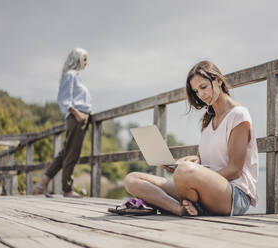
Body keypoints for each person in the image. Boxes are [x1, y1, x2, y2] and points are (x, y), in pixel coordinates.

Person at [123, 60, 258, 216]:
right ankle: (179, 209)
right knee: (132, 179)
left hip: (234, 195)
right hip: (203, 189)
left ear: (218, 80)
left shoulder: (238, 115)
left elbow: (235, 169)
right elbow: (211, 160)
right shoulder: (209, 120)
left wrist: (192, 174)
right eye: (196, 91)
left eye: (203, 87)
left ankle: (185, 199)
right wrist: (194, 162)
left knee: (184, 171)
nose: (201, 95)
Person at [33, 48, 91, 198]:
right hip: (77, 118)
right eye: (84, 59)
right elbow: (64, 99)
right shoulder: (70, 75)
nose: (86, 63)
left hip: (79, 118)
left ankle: (44, 181)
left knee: (66, 152)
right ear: (77, 59)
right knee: (72, 153)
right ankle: (67, 189)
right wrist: (77, 114)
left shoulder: (75, 76)